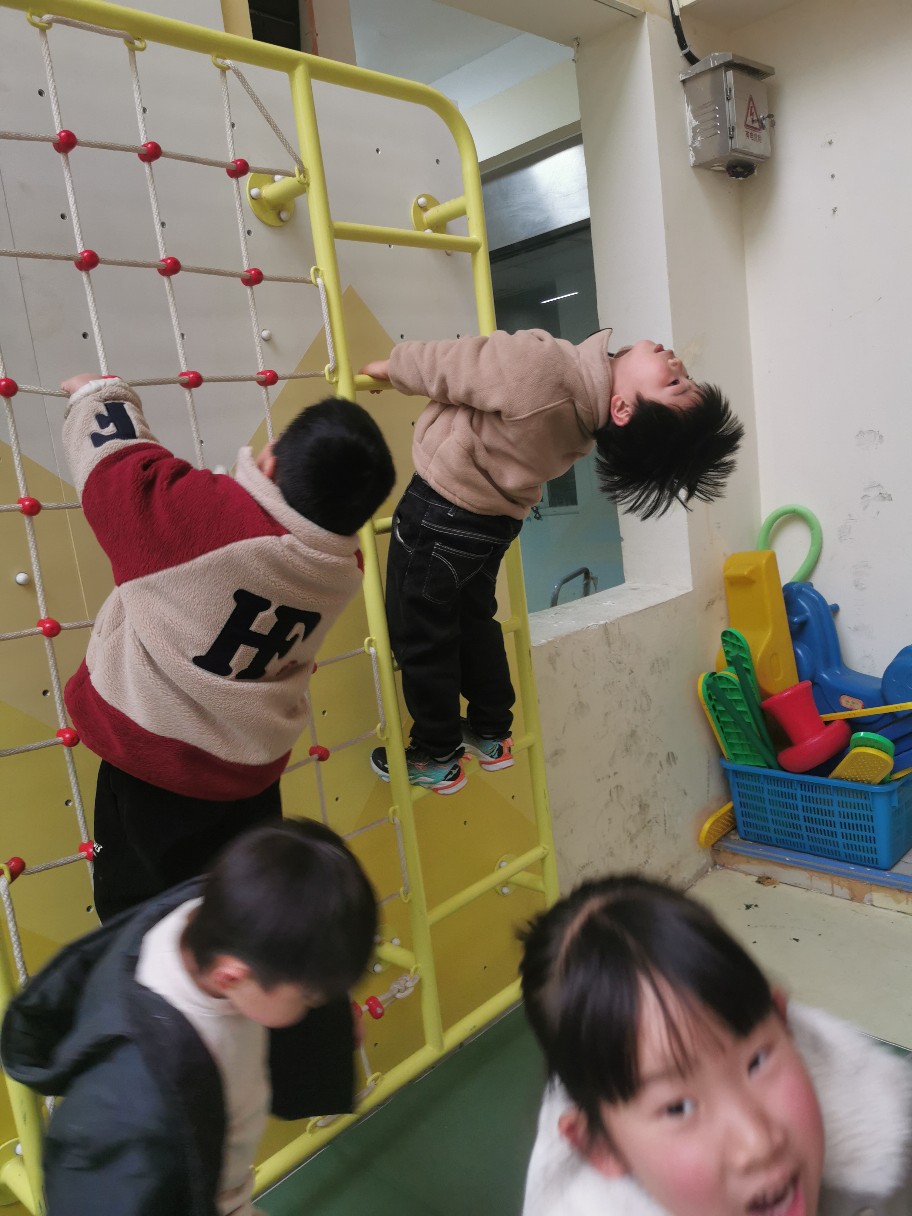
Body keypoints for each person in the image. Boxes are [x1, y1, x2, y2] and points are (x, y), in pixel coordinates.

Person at [59, 373, 395, 921]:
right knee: (235, 907)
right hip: (247, 771)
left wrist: (98, 394)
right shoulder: (340, 568)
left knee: (137, 911)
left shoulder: (204, 520)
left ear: (270, 461)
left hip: (155, 763)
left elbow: (119, 473)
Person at [361, 332, 744, 794]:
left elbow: (457, 363)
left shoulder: (548, 371)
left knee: (419, 630)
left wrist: (393, 368)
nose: (677, 362)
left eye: (675, 383)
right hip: (492, 522)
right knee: (473, 620)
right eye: (684, 376)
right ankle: (491, 731)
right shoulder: (584, 420)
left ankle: (436, 753)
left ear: (622, 409)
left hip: (441, 509)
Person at [1, 817, 378, 1216]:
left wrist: (332, 1022)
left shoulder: (218, 913)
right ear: (232, 976)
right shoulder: (135, 1097)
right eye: (309, 998)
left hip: (220, 1177)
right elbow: (108, 1196)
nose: (316, 1006)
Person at [518, 874, 912, 1216]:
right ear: (602, 1147)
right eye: (678, 1107)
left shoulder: (889, 1140)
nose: (758, 1143)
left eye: (756, 1061)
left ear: (783, 1022)